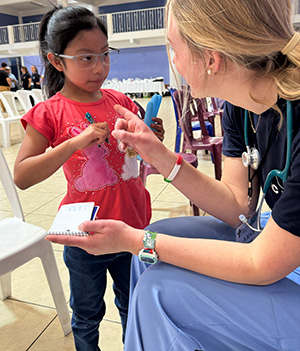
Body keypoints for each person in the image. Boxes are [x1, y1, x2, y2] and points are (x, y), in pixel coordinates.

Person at [45, 0, 300, 350]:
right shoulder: (242, 108)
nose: (173, 61)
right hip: (275, 246)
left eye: (172, 47)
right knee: (151, 243)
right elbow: (238, 206)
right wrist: (159, 155)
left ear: (211, 59)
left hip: (281, 261)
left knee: (157, 290)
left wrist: (133, 241)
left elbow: (263, 263)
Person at [14, 5, 164, 351]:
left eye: (105, 55)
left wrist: (149, 135)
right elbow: (22, 175)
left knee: (135, 306)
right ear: (56, 61)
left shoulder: (119, 100)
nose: (100, 67)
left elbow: (138, 154)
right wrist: (76, 141)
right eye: (86, 58)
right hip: (86, 236)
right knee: (86, 314)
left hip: (133, 226)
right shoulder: (48, 112)